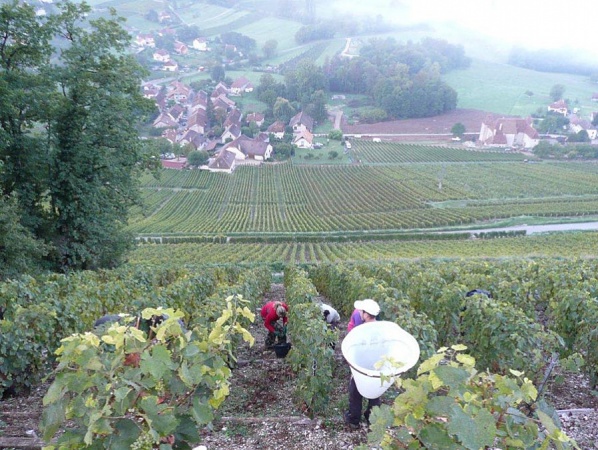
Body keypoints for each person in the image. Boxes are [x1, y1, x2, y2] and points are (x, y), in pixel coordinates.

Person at [344, 299, 381, 428]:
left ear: (366, 314)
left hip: (361, 366)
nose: (360, 313)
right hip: (378, 367)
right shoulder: (382, 329)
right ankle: (372, 419)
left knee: (355, 392)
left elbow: (353, 349)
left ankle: (354, 420)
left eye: (362, 311)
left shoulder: (361, 331)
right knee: (375, 393)